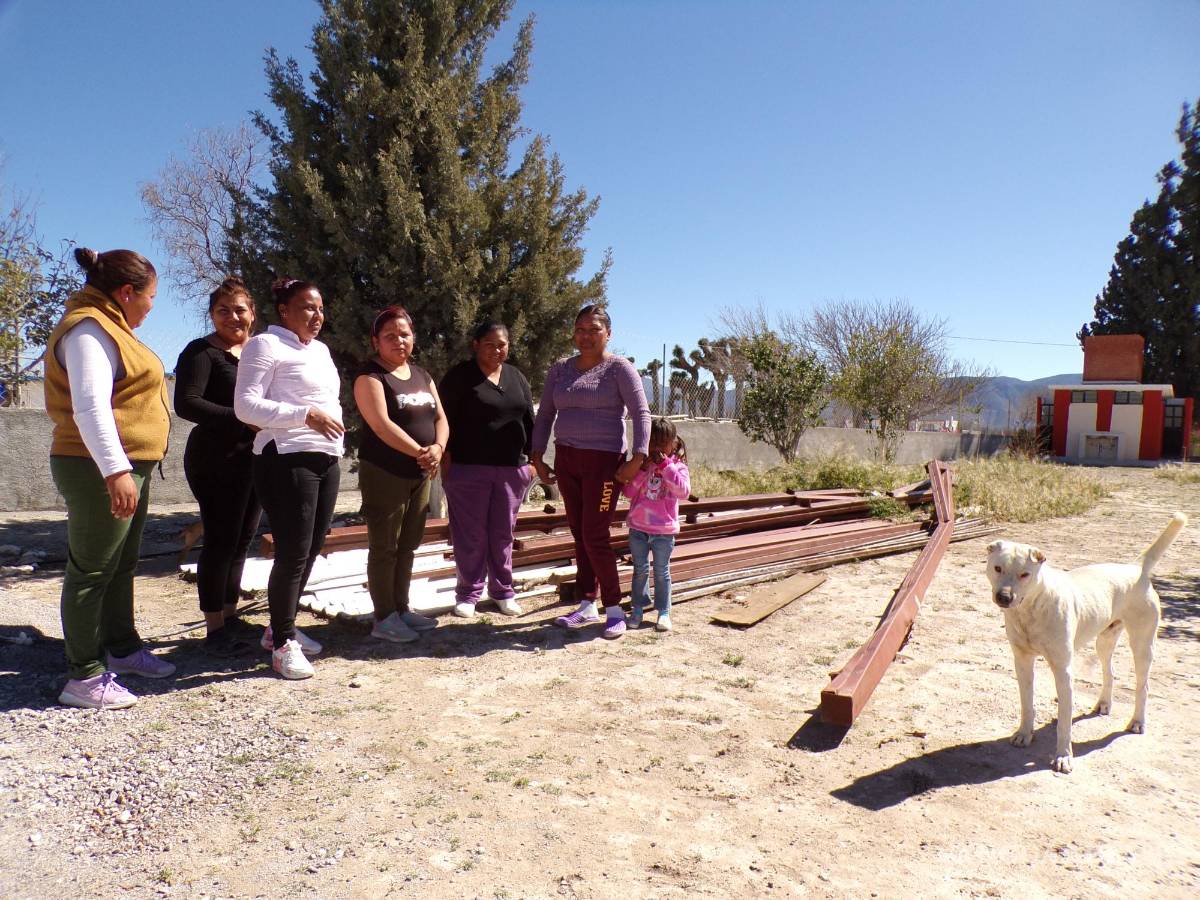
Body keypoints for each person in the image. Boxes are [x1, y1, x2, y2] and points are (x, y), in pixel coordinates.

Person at [45, 247, 175, 709]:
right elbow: (90, 408)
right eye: (150, 296)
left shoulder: (113, 328)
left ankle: (121, 648)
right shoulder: (89, 329)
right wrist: (116, 469)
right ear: (126, 292)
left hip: (125, 466)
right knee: (91, 570)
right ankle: (83, 676)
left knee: (121, 564)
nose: (152, 306)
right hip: (97, 466)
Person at [234, 278, 344, 679]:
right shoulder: (264, 345)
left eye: (320, 308)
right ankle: (282, 645)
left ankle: (280, 627)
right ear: (284, 310)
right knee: (293, 552)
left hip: (326, 457)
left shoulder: (320, 350)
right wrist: (303, 415)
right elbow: (245, 406)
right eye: (308, 307)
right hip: (285, 457)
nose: (317, 315)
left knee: (312, 547)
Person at [530, 305, 650, 640]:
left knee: (595, 534)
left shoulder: (619, 368)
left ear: (608, 334)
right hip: (567, 458)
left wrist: (638, 457)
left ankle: (614, 609)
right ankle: (586, 604)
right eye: (580, 329)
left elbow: (641, 412)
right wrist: (537, 455)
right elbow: (545, 414)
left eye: (594, 329)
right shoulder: (560, 370)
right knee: (579, 533)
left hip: (605, 462)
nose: (586, 336)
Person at [175, 277, 261, 656]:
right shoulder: (201, 352)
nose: (233, 317)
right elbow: (187, 403)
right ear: (211, 315)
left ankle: (230, 614)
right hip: (215, 459)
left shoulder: (260, 352)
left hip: (255, 457)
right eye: (223, 311)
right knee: (221, 540)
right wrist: (243, 418)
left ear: (252, 313)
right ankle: (214, 629)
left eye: (240, 309)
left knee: (243, 538)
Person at [353, 306, 447, 643]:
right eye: (390, 335)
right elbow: (381, 425)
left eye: (404, 334)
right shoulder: (370, 376)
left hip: (420, 473)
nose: (399, 340)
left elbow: (440, 418)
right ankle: (384, 617)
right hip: (385, 471)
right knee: (385, 546)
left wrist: (438, 447)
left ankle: (401, 608)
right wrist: (422, 452)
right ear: (375, 341)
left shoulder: (422, 374)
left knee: (408, 544)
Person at [438, 321, 536, 619]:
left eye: (502, 344)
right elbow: (442, 420)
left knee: (503, 534)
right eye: (490, 344)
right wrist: (445, 460)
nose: (496, 350)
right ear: (476, 345)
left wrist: (532, 462)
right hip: (467, 469)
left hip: (511, 470)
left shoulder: (516, 377)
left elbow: (529, 420)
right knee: (470, 535)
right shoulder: (459, 377)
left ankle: (503, 591)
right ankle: (468, 593)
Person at [621, 418, 690, 632]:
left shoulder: (678, 467)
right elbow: (628, 492)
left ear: (673, 444)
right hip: (638, 528)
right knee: (640, 570)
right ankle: (638, 610)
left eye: (663, 443)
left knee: (661, 571)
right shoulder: (642, 466)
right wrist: (642, 470)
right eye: (653, 443)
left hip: (664, 531)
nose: (657, 448)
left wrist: (666, 466)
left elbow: (683, 492)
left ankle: (664, 612)